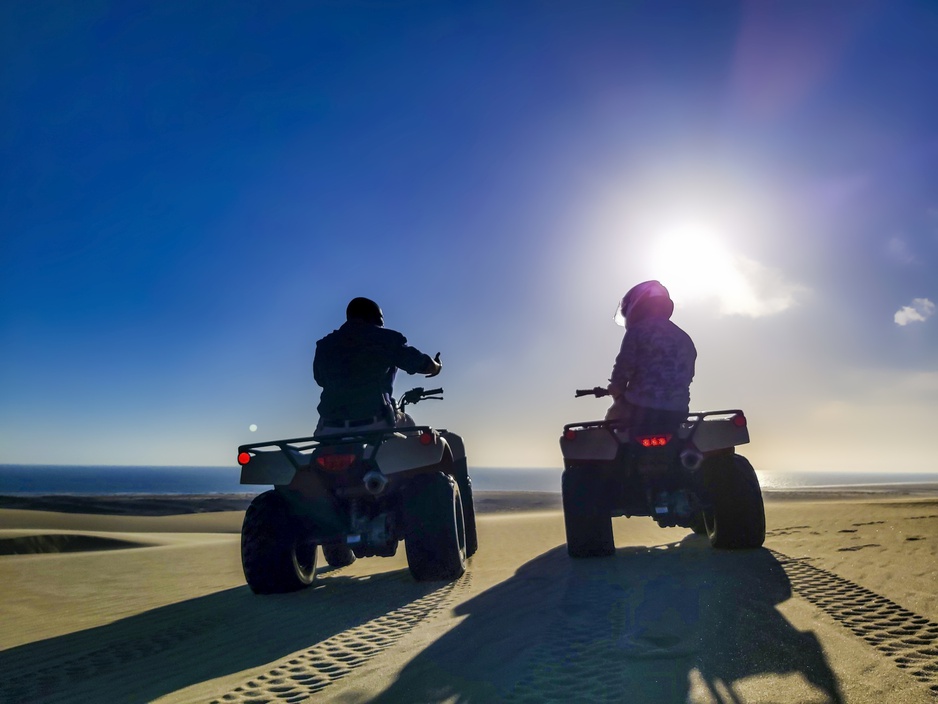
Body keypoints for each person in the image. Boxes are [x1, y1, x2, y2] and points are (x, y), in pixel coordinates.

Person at [313, 297, 442, 434]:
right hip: (374, 425)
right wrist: (437, 366)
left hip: (328, 428)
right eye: (381, 319)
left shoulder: (324, 345)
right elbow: (421, 364)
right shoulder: (386, 339)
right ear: (373, 317)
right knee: (411, 429)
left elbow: (320, 379)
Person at [605, 280, 696, 432]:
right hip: (677, 412)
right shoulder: (684, 338)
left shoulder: (637, 332)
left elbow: (623, 369)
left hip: (641, 409)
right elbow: (688, 376)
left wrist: (616, 389)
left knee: (610, 425)